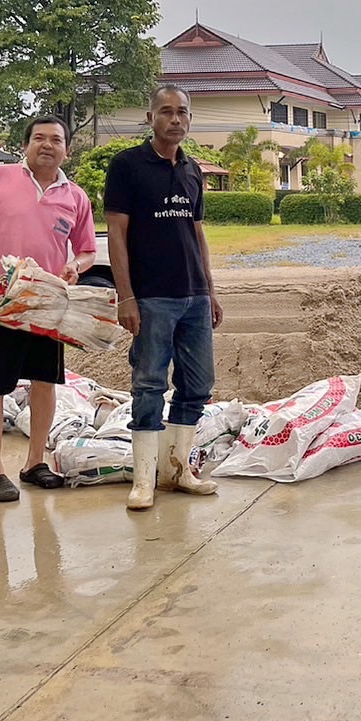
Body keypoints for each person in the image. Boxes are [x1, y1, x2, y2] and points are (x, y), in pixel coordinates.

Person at [0, 115, 98, 503]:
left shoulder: (76, 197)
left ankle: (35, 462)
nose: (47, 145)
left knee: (44, 382)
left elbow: (87, 251)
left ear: (67, 149)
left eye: (56, 139)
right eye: (39, 138)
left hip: (46, 307)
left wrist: (75, 266)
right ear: (25, 145)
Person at [104, 84, 221, 510]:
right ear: (151, 117)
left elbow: (196, 232)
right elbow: (117, 232)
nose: (176, 119)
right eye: (167, 111)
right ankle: (143, 481)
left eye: (183, 113)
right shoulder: (127, 166)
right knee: (149, 384)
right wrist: (126, 296)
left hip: (193, 296)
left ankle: (177, 470)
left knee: (198, 384)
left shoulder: (192, 170)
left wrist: (210, 289)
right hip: (152, 297)